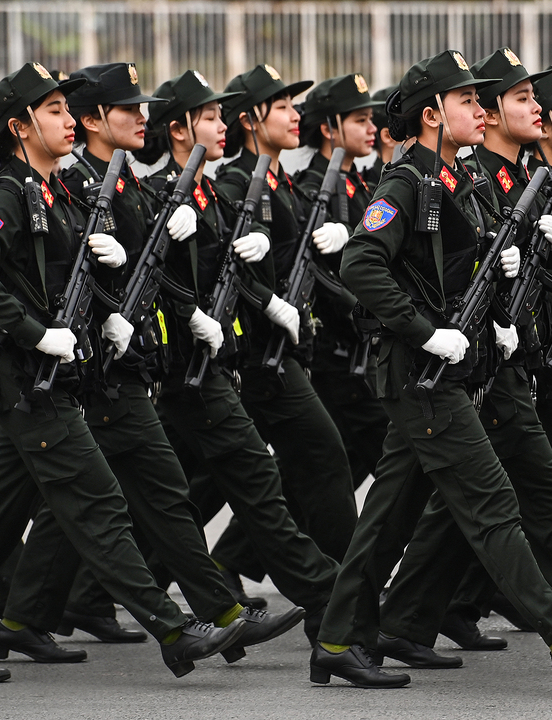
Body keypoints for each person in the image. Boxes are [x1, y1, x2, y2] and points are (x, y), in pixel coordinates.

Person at [310, 48, 552, 691]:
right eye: (465, 101)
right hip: (420, 375)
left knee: (387, 518)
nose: (478, 110)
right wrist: (426, 332)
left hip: (447, 374)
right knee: (493, 507)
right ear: (432, 114)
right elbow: (360, 264)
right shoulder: (407, 182)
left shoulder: (458, 181)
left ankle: (337, 638)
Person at [0, 62, 243, 683]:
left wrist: (113, 306)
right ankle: (171, 627)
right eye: (55, 111)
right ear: (21, 125)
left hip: (49, 380)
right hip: (29, 382)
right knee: (100, 504)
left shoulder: (53, 191)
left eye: (67, 109)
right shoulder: (9, 192)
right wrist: (37, 333)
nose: (67, 120)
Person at [135, 68, 341, 643]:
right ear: (178, 130)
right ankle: (328, 599)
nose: (220, 125)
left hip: (218, 361)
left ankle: (222, 608)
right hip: (183, 366)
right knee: (208, 486)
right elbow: (139, 276)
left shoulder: (208, 191)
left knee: (183, 492)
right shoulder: (161, 194)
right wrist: (191, 307)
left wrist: (255, 270)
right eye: (207, 117)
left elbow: (229, 270)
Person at [207, 64, 358, 577]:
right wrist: (272, 303)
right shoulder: (235, 183)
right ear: (250, 119)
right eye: (283, 107)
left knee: (242, 475)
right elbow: (221, 266)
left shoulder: (283, 183)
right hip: (257, 352)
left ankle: (223, 570)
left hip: (288, 348)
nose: (297, 116)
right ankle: (346, 600)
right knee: (322, 457)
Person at [294, 72, 387, 491]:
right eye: (359, 120)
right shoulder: (314, 187)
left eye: (371, 120)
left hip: (363, 349)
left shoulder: (362, 184)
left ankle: (242, 556)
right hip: (336, 350)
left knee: (333, 469)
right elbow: (311, 270)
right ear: (330, 127)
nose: (371, 129)